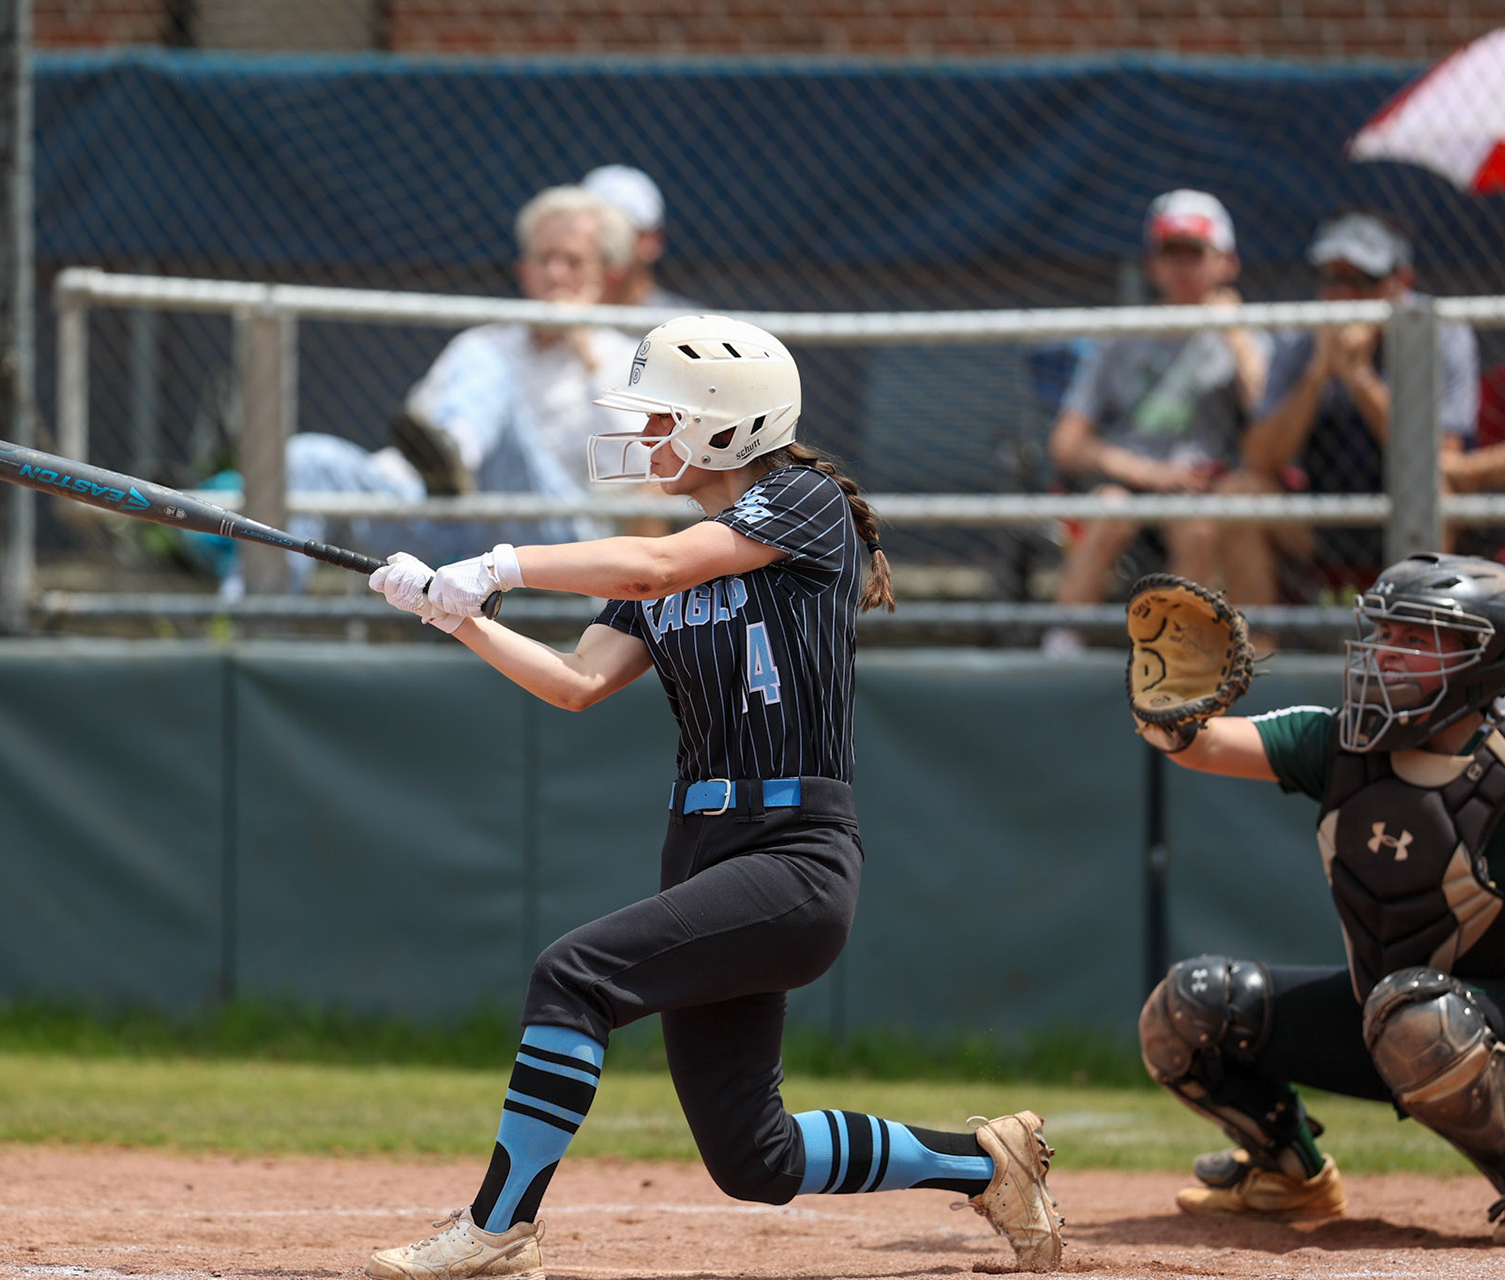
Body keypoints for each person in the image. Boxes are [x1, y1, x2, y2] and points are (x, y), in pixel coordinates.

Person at [361, 315, 1066, 1277]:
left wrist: (497, 565)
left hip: (795, 852)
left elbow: (655, 567)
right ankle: (986, 1164)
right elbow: (576, 682)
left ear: (727, 425)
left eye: (664, 417)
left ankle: (498, 1230)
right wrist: (457, 619)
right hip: (702, 850)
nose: (646, 435)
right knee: (753, 1157)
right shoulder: (670, 554)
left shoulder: (805, 502)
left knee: (572, 977)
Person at [1136, 551, 1505, 1244]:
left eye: (1416, 638)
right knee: (1189, 1008)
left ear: (1488, 660)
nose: (1387, 653)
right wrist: (1166, 703)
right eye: (1385, 633)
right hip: (1394, 1017)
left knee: (1418, 1014)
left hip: (1494, 1027)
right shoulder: (1345, 744)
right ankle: (1289, 1172)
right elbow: (1203, 746)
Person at [274, 184, 644, 591]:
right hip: (451, 525)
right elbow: (416, 448)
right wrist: (381, 484)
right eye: (544, 259)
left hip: (553, 537)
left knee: (496, 400)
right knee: (307, 458)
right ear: (524, 269)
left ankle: (459, 457)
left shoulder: (623, 358)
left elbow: (637, 472)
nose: (555, 274)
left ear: (607, 276)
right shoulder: (481, 346)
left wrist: (584, 349)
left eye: (571, 261)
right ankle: (255, 614)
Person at [1043, 190, 1269, 655]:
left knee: (1197, 525)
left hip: (1203, 487)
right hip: (1129, 482)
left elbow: (1267, 418)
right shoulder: (1121, 336)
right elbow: (1066, 443)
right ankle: (1061, 646)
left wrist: (1234, 332)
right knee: (1108, 509)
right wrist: (1149, 473)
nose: (1182, 267)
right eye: (1171, 253)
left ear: (1226, 263)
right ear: (1152, 265)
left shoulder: (1249, 335)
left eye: (1195, 253)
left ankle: (1179, 657)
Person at [1218, 211, 1478, 608]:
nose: (1343, 295)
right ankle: (1257, 641)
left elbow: (1440, 456)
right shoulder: (1302, 334)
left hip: (1407, 510)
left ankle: (1415, 637)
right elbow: (1259, 457)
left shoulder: (1437, 331)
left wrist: (1358, 376)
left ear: (1401, 281)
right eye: (1331, 279)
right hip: (1324, 510)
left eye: (1361, 281)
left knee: (1437, 492)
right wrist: (1317, 375)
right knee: (1239, 493)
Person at [581, 164, 698, 312]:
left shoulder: (686, 320)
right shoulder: (561, 310)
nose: (602, 245)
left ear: (654, 240)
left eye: (617, 232)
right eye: (593, 233)